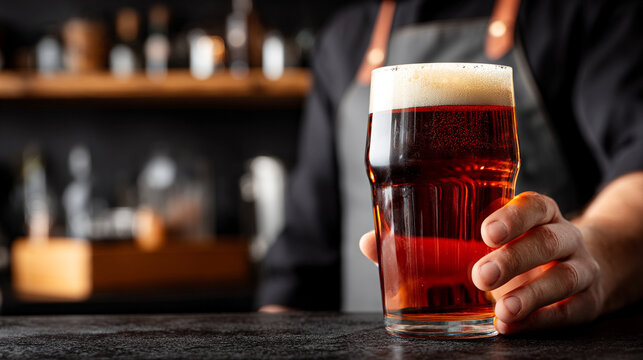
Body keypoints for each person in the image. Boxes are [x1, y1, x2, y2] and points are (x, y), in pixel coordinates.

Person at [257, 0, 643, 335]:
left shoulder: (583, 11)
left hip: (520, 340)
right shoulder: (342, 39)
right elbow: (301, 260)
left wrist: (590, 259)